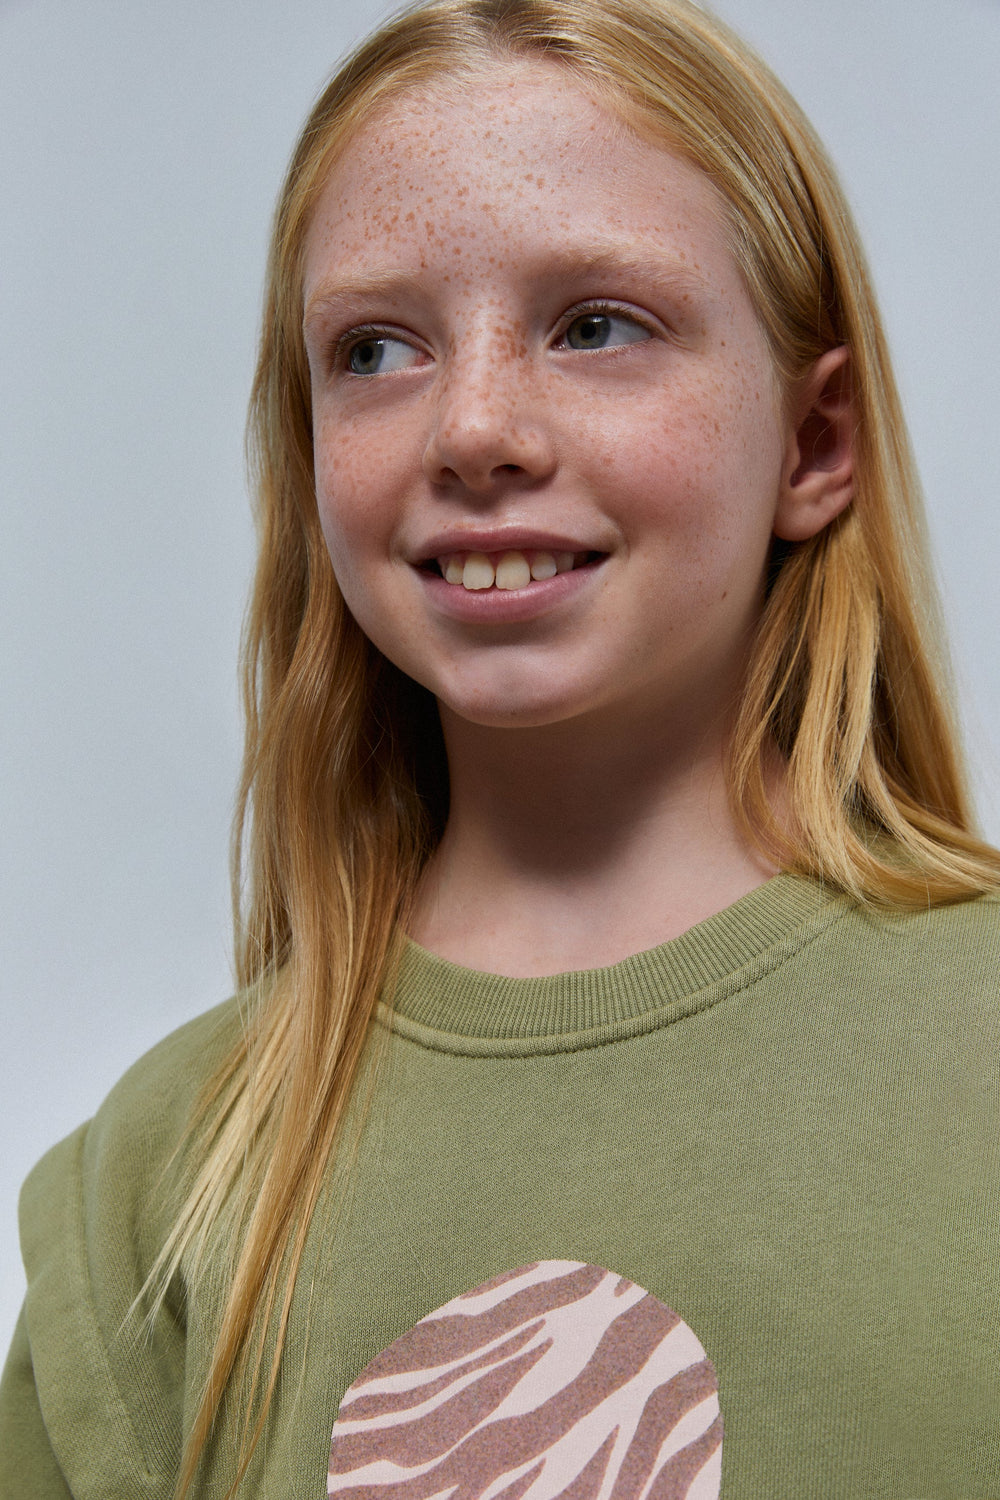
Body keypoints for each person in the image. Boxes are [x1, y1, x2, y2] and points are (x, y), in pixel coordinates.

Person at [3, 0, 999, 1494]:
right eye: (376, 349)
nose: (473, 427)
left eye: (596, 325)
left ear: (814, 441)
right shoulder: (159, 1189)